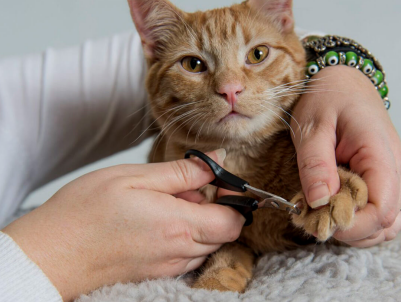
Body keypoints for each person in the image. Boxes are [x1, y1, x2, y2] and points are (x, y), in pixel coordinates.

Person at [0, 28, 400, 301]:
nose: (229, 86)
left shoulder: (18, 95)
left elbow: (259, 36)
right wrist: (51, 253)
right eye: (196, 66)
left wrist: (347, 73)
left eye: (254, 57)